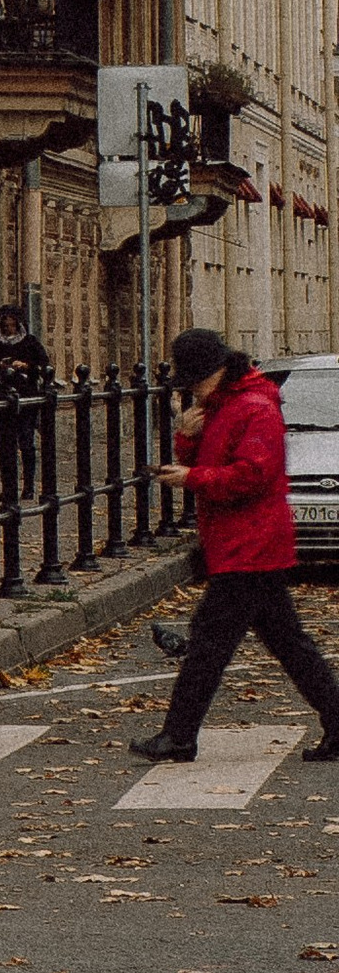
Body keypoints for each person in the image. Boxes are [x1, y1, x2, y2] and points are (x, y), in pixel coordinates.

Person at [129, 328, 339, 765]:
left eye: (196, 381)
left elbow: (251, 476)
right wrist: (186, 438)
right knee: (289, 644)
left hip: (252, 545)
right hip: (238, 543)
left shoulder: (255, 407)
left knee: (208, 644)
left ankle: (179, 736)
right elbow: (206, 461)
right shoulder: (223, 405)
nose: (192, 390)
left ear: (221, 371)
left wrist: (192, 479)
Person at [0, 301, 52, 507]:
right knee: (5, 446)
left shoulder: (30, 342)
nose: (8, 329)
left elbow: (45, 365)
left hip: (26, 398)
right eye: (5, 325)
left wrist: (26, 366)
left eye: (12, 325)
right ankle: (8, 487)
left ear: (18, 324)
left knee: (26, 442)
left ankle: (28, 486)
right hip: (2, 399)